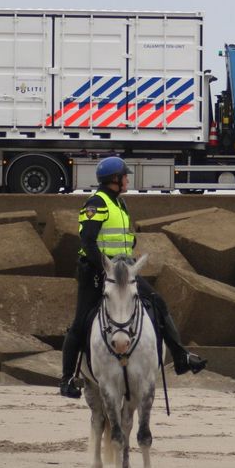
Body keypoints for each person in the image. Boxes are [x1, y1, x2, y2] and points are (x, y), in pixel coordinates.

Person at [59, 156, 206, 398]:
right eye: (125, 176)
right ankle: (66, 379)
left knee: (157, 302)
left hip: (124, 271)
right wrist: (104, 268)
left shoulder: (120, 204)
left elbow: (120, 237)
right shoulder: (97, 203)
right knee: (80, 322)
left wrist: (129, 245)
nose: (128, 179)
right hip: (96, 272)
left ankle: (180, 357)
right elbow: (88, 241)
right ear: (114, 179)